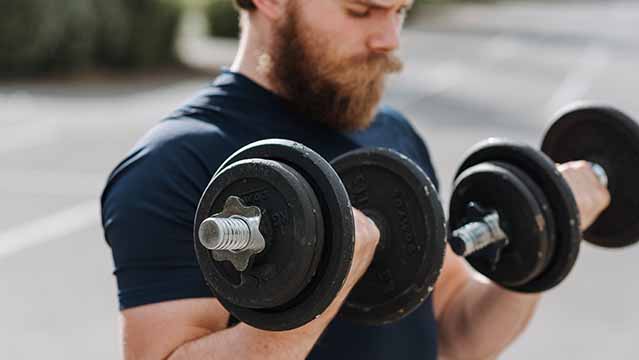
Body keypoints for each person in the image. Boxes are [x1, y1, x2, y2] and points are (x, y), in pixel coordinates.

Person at [100, 0, 610, 359]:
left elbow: (453, 335)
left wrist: (545, 237)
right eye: (360, 11)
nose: (388, 40)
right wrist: (323, 287)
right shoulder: (175, 163)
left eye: (399, 12)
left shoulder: (393, 137)